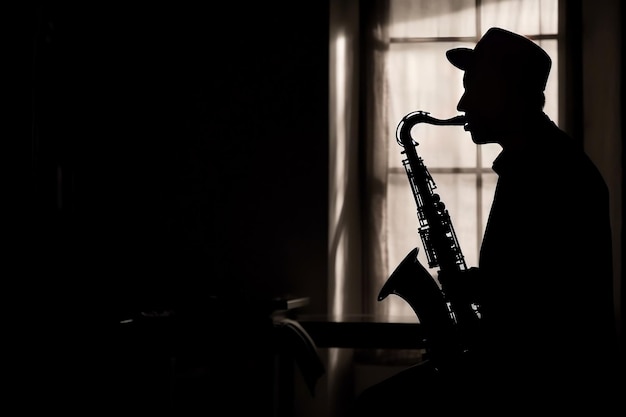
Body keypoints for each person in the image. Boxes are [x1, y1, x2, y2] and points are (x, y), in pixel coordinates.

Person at [349, 27, 620, 416]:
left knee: (372, 407)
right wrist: (476, 285)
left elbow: (549, 298)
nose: (462, 104)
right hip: (517, 367)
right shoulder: (531, 163)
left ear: (505, 93)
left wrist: (475, 287)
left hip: (540, 380)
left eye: (472, 89)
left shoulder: (554, 173)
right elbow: (530, 274)